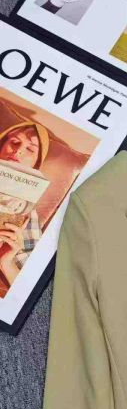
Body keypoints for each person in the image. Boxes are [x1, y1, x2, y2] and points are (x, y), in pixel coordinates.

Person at [0, 122, 50, 288]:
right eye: (14, 142)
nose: (18, 150)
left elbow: (27, 289)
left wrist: (7, 262)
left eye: (30, 149)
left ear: (35, 164)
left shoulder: (26, 214)